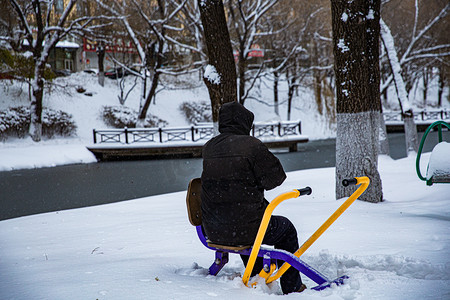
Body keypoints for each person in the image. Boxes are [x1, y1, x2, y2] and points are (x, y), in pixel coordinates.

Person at [200, 101, 306, 294]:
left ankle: (257, 271)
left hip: (213, 230)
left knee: (242, 222)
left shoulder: (209, 147)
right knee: (286, 229)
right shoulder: (251, 146)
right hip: (245, 230)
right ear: (245, 123)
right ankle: (293, 287)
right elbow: (276, 178)